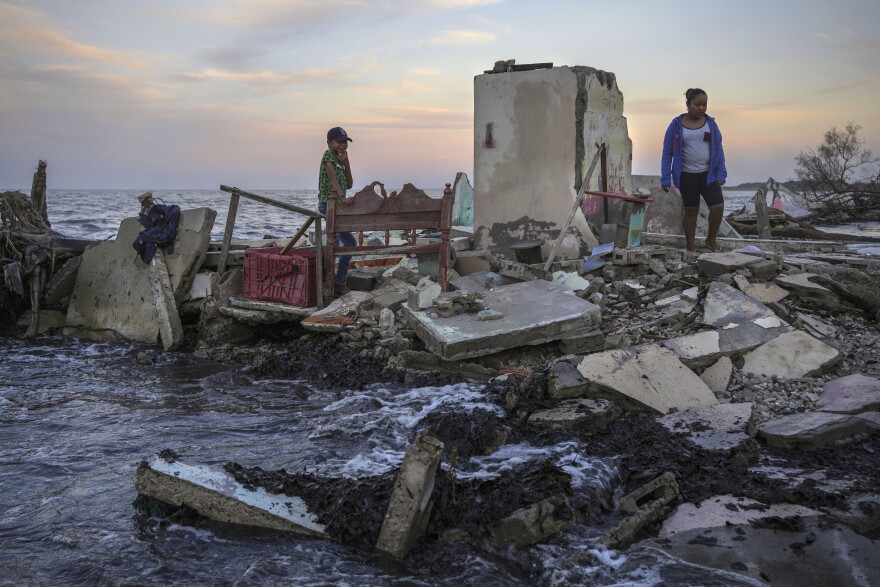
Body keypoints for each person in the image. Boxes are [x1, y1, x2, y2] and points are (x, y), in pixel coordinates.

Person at [661, 88, 727, 252]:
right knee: (691, 210)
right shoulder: (676, 125)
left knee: (717, 206)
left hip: (708, 174)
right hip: (686, 175)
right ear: (687, 104)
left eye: (704, 104)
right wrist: (665, 178)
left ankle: (711, 240)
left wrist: (721, 172)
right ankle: (690, 247)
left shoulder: (711, 124)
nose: (701, 108)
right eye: (697, 104)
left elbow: (718, 149)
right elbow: (667, 152)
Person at [318, 127, 357, 296]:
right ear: (329, 143)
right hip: (328, 204)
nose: (342, 145)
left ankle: (335, 281)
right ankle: (338, 282)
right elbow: (332, 178)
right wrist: (343, 197)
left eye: (345, 142)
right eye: (339, 141)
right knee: (349, 243)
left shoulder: (341, 160)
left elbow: (349, 184)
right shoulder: (328, 156)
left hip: (338, 207)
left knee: (343, 244)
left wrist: (347, 162)